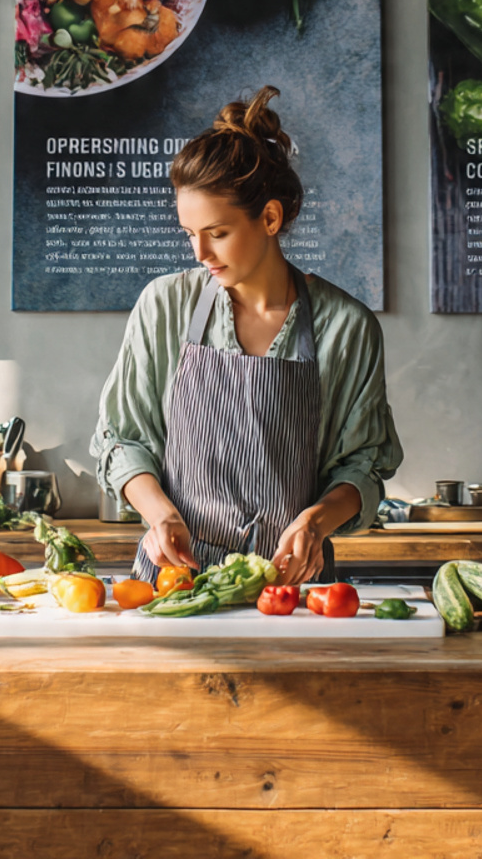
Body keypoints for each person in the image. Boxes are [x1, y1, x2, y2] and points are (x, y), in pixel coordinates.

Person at [92, 86, 403, 586]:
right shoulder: (165, 305)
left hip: (289, 586)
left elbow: (361, 465)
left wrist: (315, 522)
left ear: (270, 218)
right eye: (189, 234)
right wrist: (160, 514)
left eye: (217, 233)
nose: (199, 253)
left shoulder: (346, 327)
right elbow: (123, 439)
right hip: (175, 581)